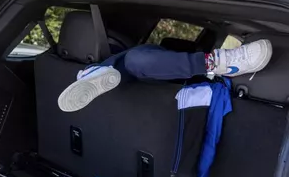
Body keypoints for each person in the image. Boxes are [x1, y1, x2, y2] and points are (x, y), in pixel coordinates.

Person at [58, 39, 273, 112]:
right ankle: (218, 62)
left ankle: (97, 70)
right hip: (161, 81)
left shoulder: (52, 68)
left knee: (134, 59)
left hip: (175, 81)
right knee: (135, 59)